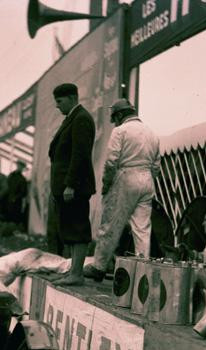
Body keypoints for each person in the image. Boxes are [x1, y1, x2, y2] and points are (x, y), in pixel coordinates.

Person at [84, 98, 160, 282]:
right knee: (142, 228)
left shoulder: (120, 131)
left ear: (119, 115)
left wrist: (107, 183)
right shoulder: (152, 133)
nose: (114, 121)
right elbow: (156, 166)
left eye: (114, 117)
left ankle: (99, 266)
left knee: (110, 224)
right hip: (147, 178)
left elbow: (111, 161)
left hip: (125, 176)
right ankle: (143, 272)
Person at [48, 82, 96, 286]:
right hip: (68, 188)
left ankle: (76, 274)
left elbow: (80, 155)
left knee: (77, 229)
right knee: (70, 229)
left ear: (71, 98)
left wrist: (70, 185)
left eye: (59, 102)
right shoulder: (73, 118)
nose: (57, 106)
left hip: (74, 188)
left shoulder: (81, 119)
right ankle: (73, 272)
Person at [5, 160, 29, 228]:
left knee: (15, 216)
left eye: (21, 166)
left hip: (16, 202)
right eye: (18, 165)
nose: (19, 167)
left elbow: (24, 192)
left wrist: (15, 198)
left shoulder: (22, 179)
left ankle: (12, 229)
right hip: (8, 199)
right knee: (8, 215)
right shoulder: (11, 175)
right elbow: (6, 186)